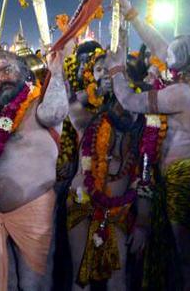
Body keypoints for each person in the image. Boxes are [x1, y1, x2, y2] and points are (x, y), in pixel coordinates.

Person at [105, 0, 190, 291]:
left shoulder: (183, 93)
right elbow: (160, 46)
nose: (163, 55)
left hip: (186, 179)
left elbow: (130, 101)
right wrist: (132, 15)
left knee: (189, 256)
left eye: (171, 54)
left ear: (182, 61)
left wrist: (116, 70)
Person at [0, 49, 68, 290]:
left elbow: (58, 111)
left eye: (8, 70)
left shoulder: (39, 105)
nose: (2, 77)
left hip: (34, 210)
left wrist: (57, 71)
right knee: (5, 284)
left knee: (32, 285)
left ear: (24, 73)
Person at [64, 47, 150, 290]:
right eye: (105, 78)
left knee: (118, 279)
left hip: (120, 208)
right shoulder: (88, 117)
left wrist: (142, 221)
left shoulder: (146, 122)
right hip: (82, 202)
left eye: (121, 80)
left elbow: (145, 176)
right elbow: (69, 103)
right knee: (81, 277)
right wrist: (95, 91)